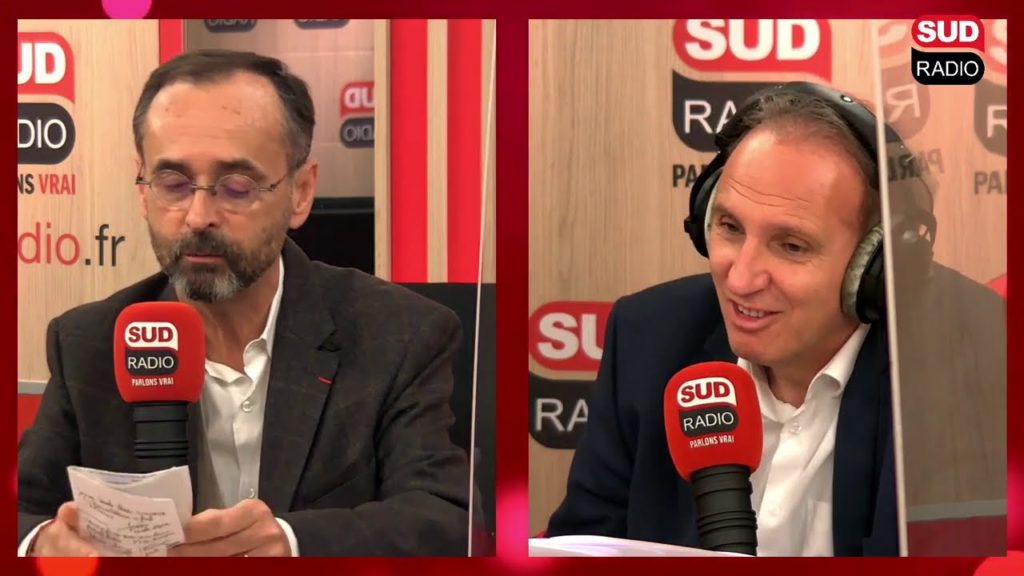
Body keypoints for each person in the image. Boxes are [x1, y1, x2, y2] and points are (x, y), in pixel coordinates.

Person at [18, 49, 474, 557]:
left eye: (236, 187)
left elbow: (449, 521)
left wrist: (292, 545)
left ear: (301, 192)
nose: (198, 216)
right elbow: (21, 512)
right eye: (173, 184)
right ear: (143, 190)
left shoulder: (400, 335)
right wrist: (41, 544)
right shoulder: (88, 342)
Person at [545, 82, 1005, 556]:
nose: (740, 279)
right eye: (730, 227)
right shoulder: (647, 338)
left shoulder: (973, 357)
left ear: (876, 264)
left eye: (791, 246)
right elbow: (584, 547)